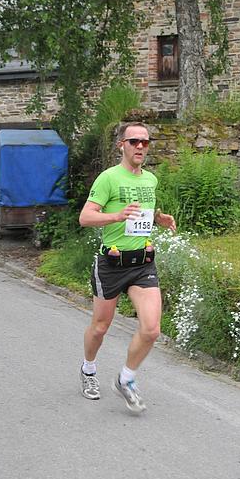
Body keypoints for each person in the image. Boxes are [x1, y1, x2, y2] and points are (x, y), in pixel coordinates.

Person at [78, 121, 176, 413]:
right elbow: (85, 217)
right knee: (100, 327)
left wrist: (159, 219)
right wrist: (116, 216)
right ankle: (88, 369)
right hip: (111, 262)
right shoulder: (108, 178)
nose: (141, 147)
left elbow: (142, 214)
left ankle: (126, 379)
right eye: (134, 141)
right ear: (122, 144)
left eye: (145, 142)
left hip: (143, 263)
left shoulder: (150, 180)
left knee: (151, 329)